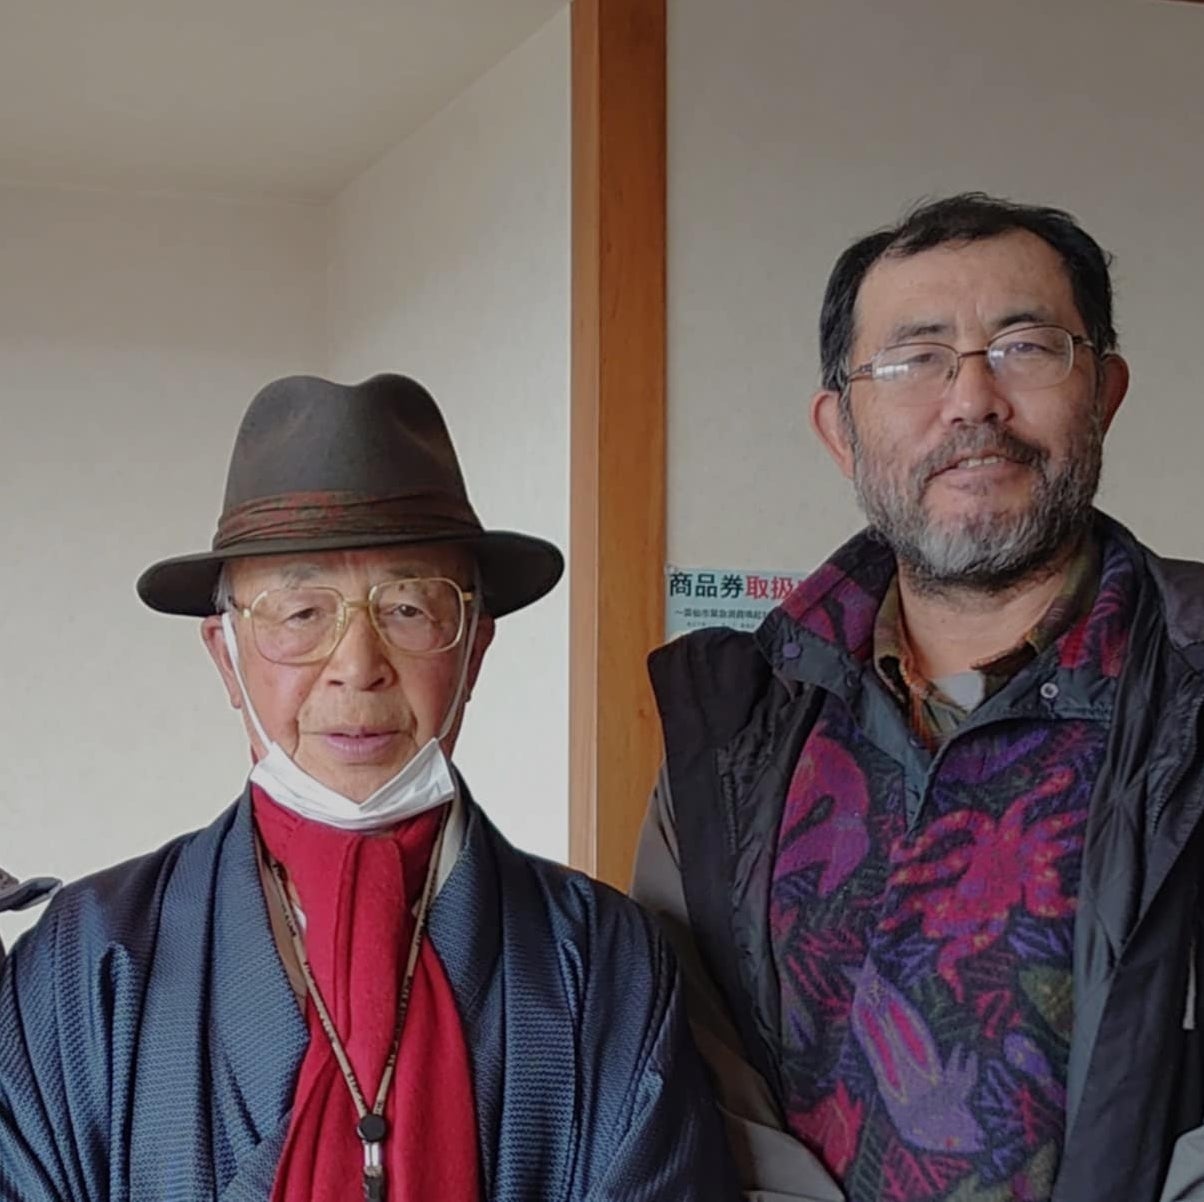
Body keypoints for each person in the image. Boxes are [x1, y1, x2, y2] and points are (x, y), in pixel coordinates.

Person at [0, 373, 739, 1201]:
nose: (357, 666)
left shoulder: (604, 961)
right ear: (226, 657)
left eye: (409, 608)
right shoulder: (86, 960)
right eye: (300, 613)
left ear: (475, 650)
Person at [633, 193, 1204, 1202]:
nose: (972, 399)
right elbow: (686, 1081)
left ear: (1104, 390)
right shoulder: (736, 733)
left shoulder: (1185, 691)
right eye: (915, 360)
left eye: (1024, 347)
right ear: (840, 427)